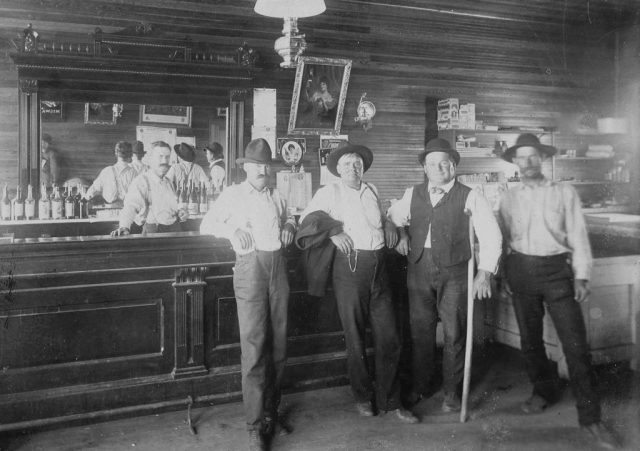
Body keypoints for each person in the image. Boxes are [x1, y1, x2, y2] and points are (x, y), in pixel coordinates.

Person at [497, 134, 617, 449]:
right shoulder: (508, 197)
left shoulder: (565, 192)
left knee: (576, 345)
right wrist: (507, 274)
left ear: (543, 159)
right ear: (514, 162)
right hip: (521, 270)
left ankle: (591, 418)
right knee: (531, 341)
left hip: (557, 272)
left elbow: (578, 235)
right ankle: (543, 391)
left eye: (533, 156)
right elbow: (505, 237)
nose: (528, 162)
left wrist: (582, 276)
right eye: (521, 157)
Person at [298, 142, 419, 424]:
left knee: (389, 336)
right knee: (355, 337)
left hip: (380, 268)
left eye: (357, 163)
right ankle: (363, 397)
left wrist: (390, 226)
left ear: (363, 167)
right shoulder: (330, 191)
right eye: (347, 164)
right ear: (337, 169)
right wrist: (333, 232)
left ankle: (391, 399)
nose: (353, 168)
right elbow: (307, 219)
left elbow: (383, 219)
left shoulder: (372, 190)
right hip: (350, 268)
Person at [387, 138, 502, 412]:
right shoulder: (412, 193)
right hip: (419, 268)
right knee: (420, 331)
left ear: (453, 166)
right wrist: (401, 233)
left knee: (454, 332)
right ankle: (421, 385)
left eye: (444, 163)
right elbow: (393, 216)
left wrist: (485, 272)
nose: (438, 168)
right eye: (432, 163)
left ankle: (452, 392)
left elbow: (491, 235)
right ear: (424, 168)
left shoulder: (471, 195)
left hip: (456, 272)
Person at [200, 138, 296, 451]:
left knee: (279, 346)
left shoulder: (277, 194)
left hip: (277, 268)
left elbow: (290, 217)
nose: (262, 170)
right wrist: (233, 230)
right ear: (246, 168)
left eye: (267, 166)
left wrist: (290, 227)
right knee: (254, 348)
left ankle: (271, 413)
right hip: (250, 269)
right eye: (257, 165)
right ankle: (254, 427)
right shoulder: (233, 194)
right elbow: (207, 224)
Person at [111, 141, 187, 236]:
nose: (164, 161)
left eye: (167, 157)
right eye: (160, 156)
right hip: (154, 233)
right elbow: (130, 206)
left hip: (175, 230)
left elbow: (172, 206)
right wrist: (124, 226)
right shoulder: (142, 181)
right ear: (150, 159)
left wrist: (181, 211)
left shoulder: (169, 182)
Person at [84, 141, 137, 205]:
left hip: (109, 211)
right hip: (127, 211)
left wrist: (86, 198)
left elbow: (93, 190)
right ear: (130, 155)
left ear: (116, 154)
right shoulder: (134, 173)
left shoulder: (107, 171)